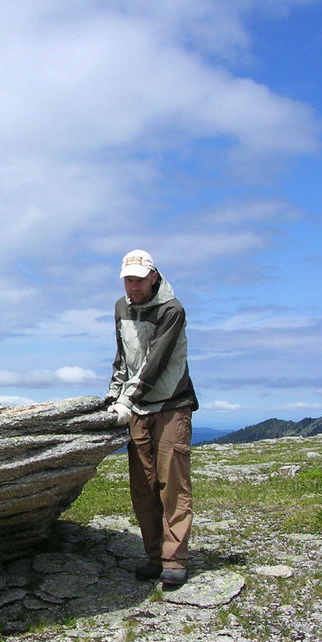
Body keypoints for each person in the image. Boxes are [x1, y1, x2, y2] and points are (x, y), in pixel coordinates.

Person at [104, 249, 198, 587]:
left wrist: (127, 400)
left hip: (172, 403)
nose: (134, 286)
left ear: (153, 276)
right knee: (143, 485)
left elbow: (155, 363)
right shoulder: (120, 309)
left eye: (139, 279)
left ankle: (175, 559)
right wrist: (113, 396)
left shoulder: (172, 311)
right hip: (137, 407)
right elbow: (123, 358)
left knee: (171, 483)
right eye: (128, 280)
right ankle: (154, 556)